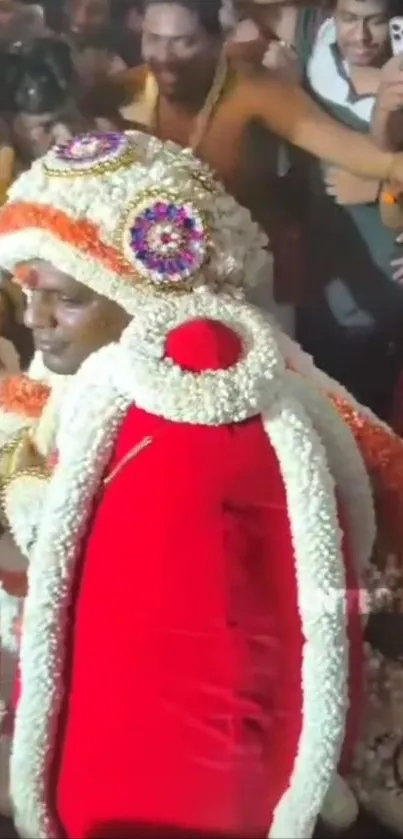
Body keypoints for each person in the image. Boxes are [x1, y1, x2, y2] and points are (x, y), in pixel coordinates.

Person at [0, 127, 383, 838]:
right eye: (25, 293)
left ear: (141, 295)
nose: (35, 322)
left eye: (65, 299)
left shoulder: (220, 427)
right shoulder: (65, 394)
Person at [290, 0, 403, 419]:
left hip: (386, 276)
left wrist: (380, 189)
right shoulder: (316, 48)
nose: (361, 36)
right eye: (349, 20)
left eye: (375, 22)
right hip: (323, 274)